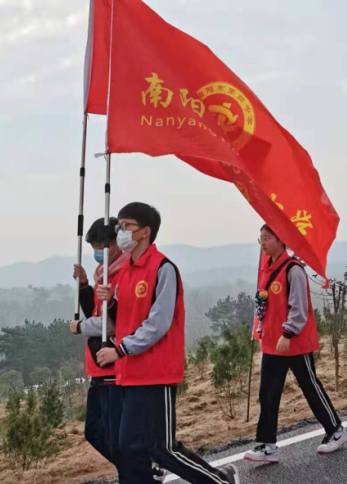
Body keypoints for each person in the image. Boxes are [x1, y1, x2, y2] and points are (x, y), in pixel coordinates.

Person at [81, 202, 239, 484]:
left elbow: (158, 323)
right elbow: (123, 319)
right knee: (128, 447)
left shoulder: (163, 268)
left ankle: (221, 481)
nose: (121, 233)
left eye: (126, 226)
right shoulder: (126, 272)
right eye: (120, 227)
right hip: (129, 373)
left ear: (145, 231)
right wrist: (110, 302)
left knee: (161, 449)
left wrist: (120, 350)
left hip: (155, 372)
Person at [243, 224, 347, 464]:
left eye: (267, 238)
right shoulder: (267, 270)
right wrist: (261, 331)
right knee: (268, 393)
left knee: (310, 386)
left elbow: (299, 308)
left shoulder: (293, 270)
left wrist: (288, 333)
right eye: (261, 239)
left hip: (293, 342)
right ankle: (268, 445)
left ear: (281, 240)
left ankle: (336, 431)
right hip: (272, 343)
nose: (263, 243)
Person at [70, 217, 126, 474]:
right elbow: (93, 309)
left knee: (115, 435)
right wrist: (84, 285)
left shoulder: (122, 275)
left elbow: (110, 324)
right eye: (93, 249)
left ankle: (138, 473)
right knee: (94, 431)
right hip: (97, 367)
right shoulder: (103, 273)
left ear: (115, 244)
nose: (97, 255)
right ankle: (140, 471)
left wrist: (81, 327)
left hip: (114, 367)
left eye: (100, 248)